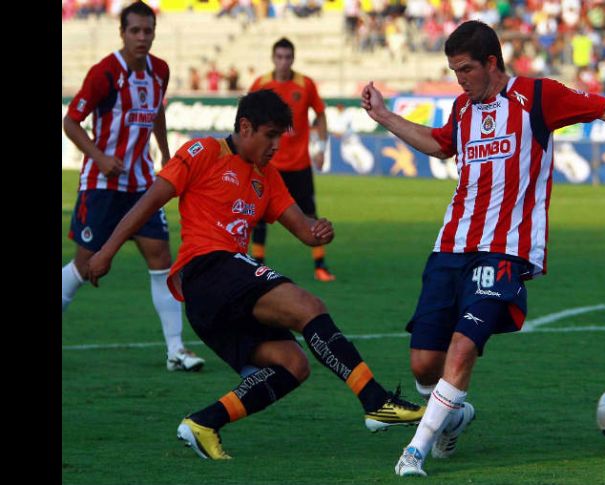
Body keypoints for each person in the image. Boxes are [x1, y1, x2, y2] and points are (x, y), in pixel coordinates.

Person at [360, 20, 605, 477]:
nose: (459, 79)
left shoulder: (537, 98)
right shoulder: (464, 109)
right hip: (450, 245)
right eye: (453, 71)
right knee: (424, 363)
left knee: (463, 348)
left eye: (465, 69)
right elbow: (441, 145)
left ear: (491, 63)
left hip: (505, 250)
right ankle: (454, 416)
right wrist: (384, 116)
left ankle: (415, 450)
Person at [84, 89, 426, 460]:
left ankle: (203, 423)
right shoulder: (203, 153)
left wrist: (318, 230)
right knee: (307, 305)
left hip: (219, 299)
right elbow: (150, 200)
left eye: (281, 137)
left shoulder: (268, 177)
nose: (276, 145)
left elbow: (303, 230)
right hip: (208, 270)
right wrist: (106, 251)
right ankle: (375, 401)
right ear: (245, 127)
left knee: (293, 365)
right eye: (270, 135)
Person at [62, 1, 205, 373]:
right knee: (84, 266)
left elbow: (157, 110)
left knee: (162, 261)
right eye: (135, 31)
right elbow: (71, 122)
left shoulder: (160, 71)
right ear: (122, 33)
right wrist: (100, 157)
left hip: (143, 184)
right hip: (102, 185)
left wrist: (165, 151)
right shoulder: (105, 72)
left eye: (148, 31)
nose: (142, 37)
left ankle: (176, 350)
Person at [247, 37, 335, 281]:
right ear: (273, 58)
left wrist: (321, 148)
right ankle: (257, 265)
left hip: (299, 165)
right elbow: (247, 115)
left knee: (310, 214)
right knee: (258, 215)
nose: (283, 62)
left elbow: (320, 114)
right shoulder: (261, 84)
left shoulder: (305, 84)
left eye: (287, 57)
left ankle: (320, 265)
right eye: (279, 57)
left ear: (293, 59)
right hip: (268, 165)